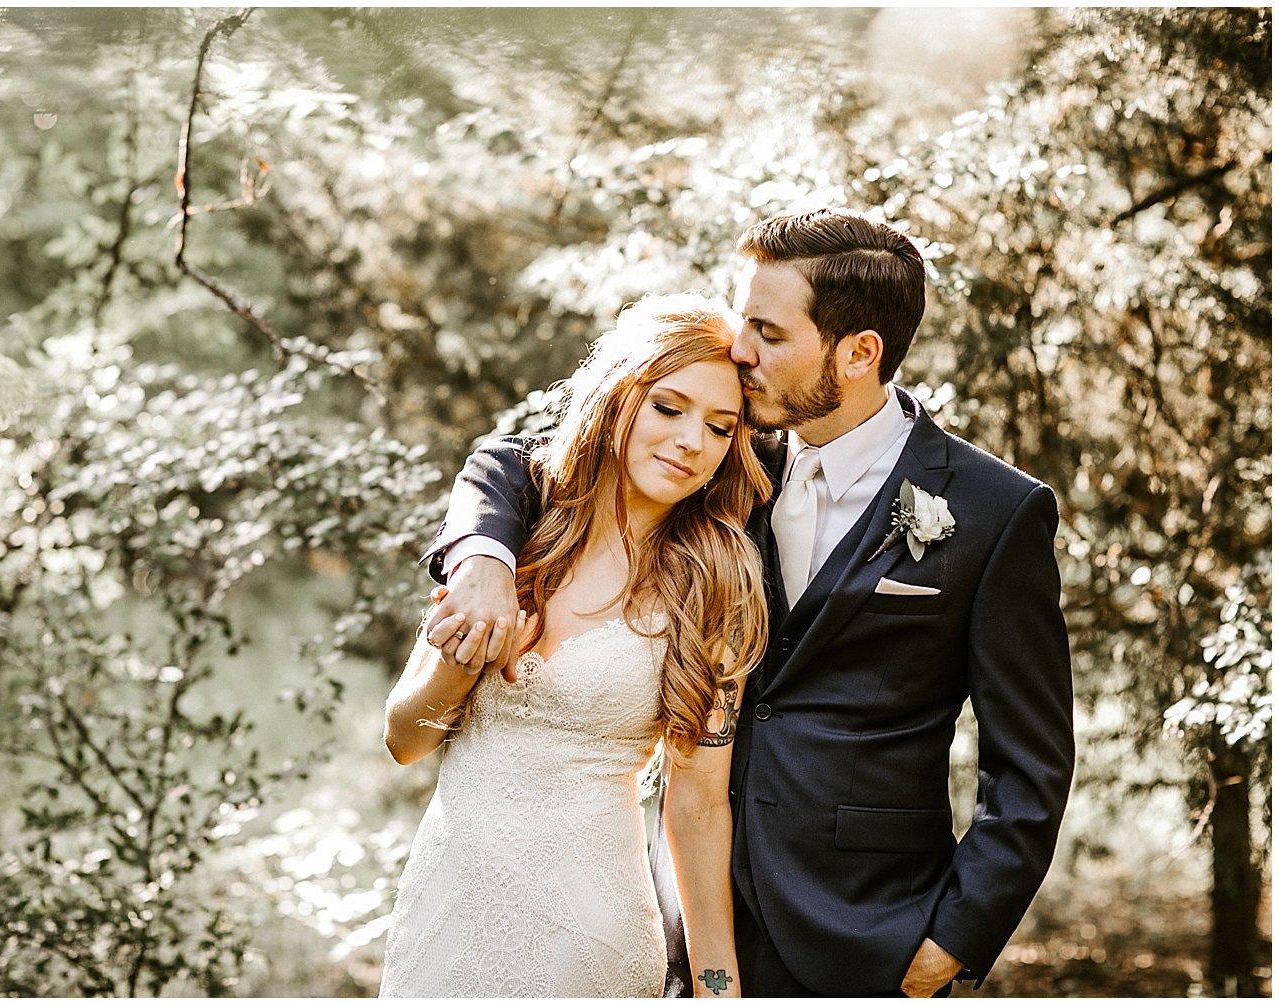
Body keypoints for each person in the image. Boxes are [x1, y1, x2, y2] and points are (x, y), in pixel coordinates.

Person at [422, 208, 1076, 997]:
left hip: (871, 931)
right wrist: (482, 559)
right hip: (683, 908)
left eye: (768, 332)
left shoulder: (992, 512)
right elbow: (515, 464)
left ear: (860, 352)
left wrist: (951, 941)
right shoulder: (725, 452)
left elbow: (1030, 767)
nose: (741, 350)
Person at [380, 293, 773, 997]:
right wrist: (462, 657)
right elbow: (405, 737)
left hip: (590, 927)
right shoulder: (510, 539)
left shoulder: (717, 582)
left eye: (719, 428)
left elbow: (699, 803)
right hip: (445, 906)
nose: (691, 440)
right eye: (668, 407)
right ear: (620, 395)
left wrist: (718, 982)